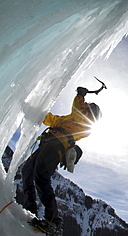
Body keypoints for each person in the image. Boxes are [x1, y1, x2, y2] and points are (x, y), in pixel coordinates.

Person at [21, 87, 102, 232]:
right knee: (27, 171)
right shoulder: (68, 119)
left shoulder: (85, 122)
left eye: (88, 107)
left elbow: (78, 109)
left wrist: (80, 95)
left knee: (41, 176)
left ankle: (53, 221)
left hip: (56, 145)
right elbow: (50, 119)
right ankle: (29, 209)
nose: (85, 106)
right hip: (47, 143)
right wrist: (30, 110)